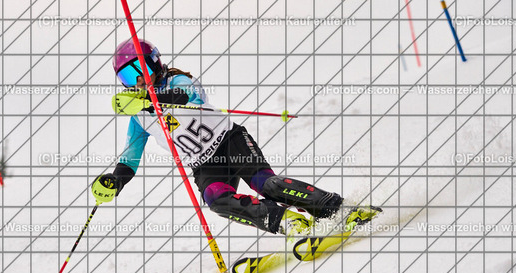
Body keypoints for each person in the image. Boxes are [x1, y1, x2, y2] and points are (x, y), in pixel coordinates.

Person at [92, 38, 380, 237]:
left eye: (140, 70)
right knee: (216, 198)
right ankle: (288, 222)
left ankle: (337, 208)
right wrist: (115, 180)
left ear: (154, 64)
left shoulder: (177, 80)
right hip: (204, 164)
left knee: (267, 184)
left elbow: (187, 97)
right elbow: (129, 159)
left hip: (230, 141)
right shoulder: (138, 117)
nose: (137, 81)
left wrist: (149, 102)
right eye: (127, 77)